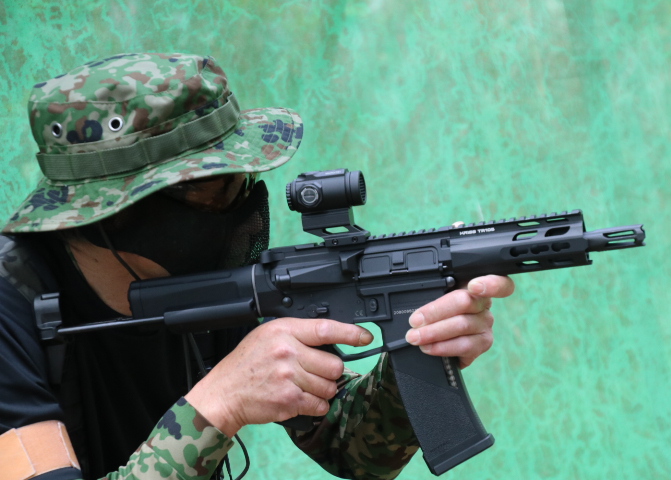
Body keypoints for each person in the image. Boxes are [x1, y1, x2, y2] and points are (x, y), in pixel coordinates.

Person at [0, 53, 515, 480]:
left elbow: (350, 446)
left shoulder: (216, 281)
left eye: (244, 179)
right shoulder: (11, 306)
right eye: (215, 186)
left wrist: (419, 346)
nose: (242, 202)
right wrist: (219, 404)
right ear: (118, 209)